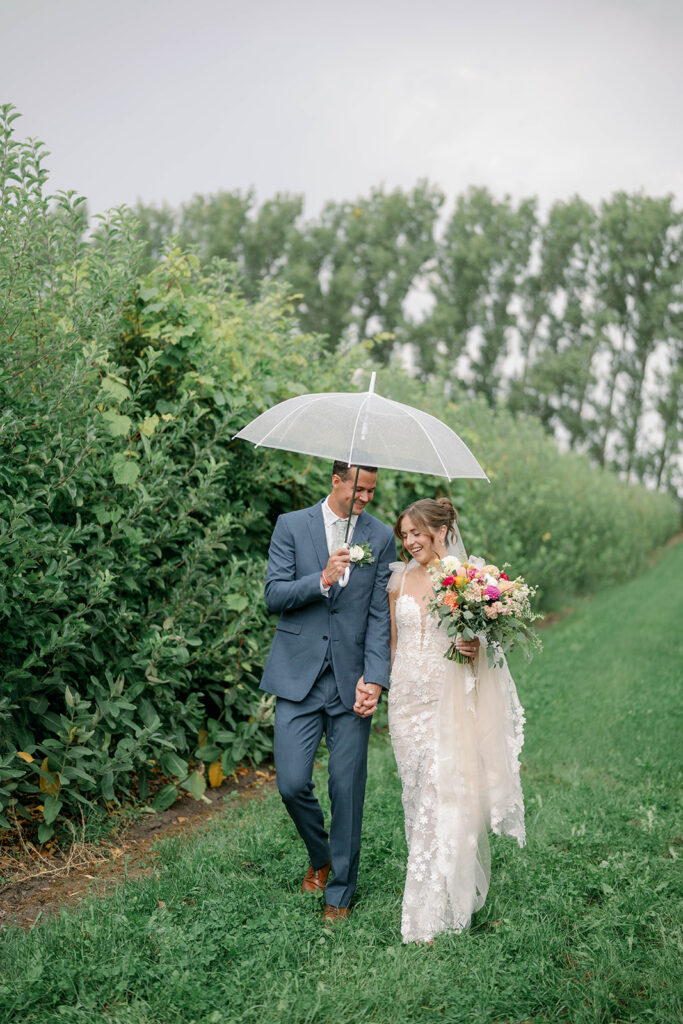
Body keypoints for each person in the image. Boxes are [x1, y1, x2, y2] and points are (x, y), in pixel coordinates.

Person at [261, 461, 396, 923]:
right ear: (336, 480)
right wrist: (320, 579)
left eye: (372, 492)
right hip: (298, 676)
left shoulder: (379, 537)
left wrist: (376, 676)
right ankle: (321, 857)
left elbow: (381, 615)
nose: (364, 498)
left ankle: (339, 892)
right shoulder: (291, 526)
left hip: (351, 681)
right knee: (292, 784)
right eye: (358, 488)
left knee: (347, 788)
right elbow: (274, 595)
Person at [388, 497, 526, 944]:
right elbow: (394, 643)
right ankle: (436, 877)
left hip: (445, 701)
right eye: (405, 535)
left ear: (440, 532)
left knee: (442, 792)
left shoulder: (465, 582)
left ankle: (437, 907)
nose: (410, 543)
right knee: (415, 794)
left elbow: (490, 650)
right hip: (405, 702)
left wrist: (476, 649)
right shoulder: (397, 580)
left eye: (417, 534)